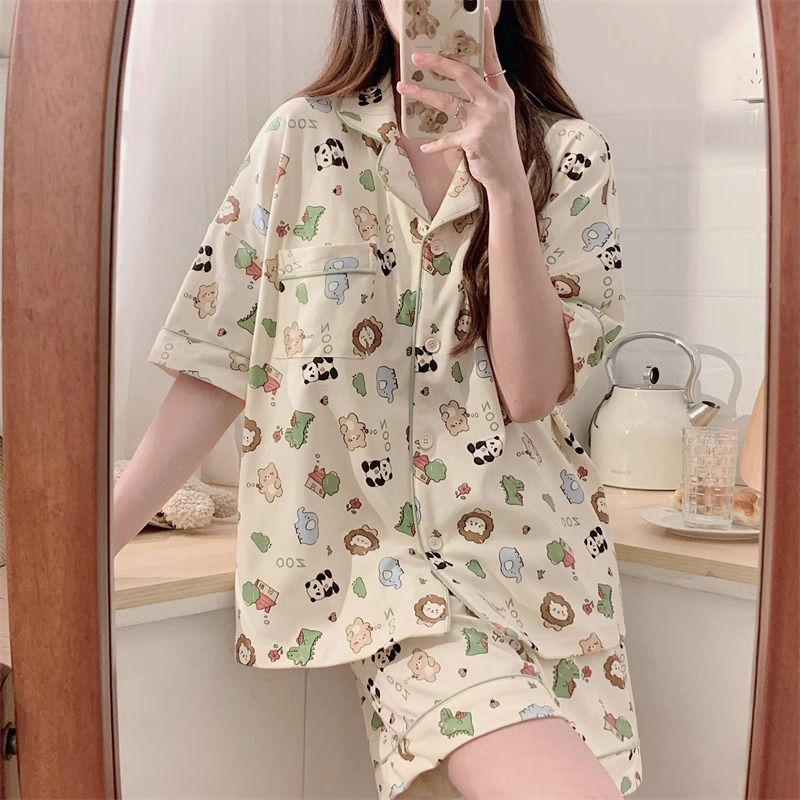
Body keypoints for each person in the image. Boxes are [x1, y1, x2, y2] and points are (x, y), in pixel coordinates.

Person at [114, 1, 641, 798]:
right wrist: (89, 550)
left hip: (548, 575)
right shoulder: (301, 140)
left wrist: (504, 182)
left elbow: (532, 391)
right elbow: (217, 359)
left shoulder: (570, 156)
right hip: (387, 586)